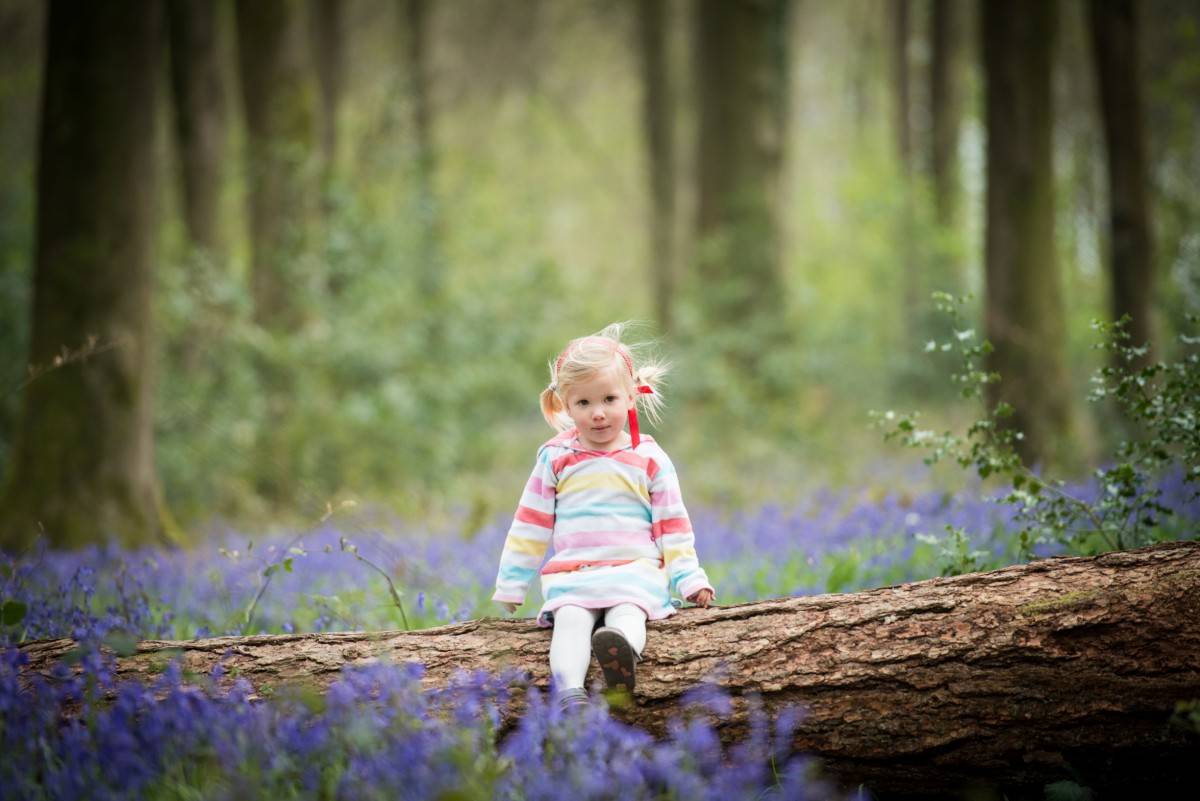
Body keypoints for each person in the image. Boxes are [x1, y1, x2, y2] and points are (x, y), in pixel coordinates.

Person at [491, 323, 715, 710]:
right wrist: (512, 583)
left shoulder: (648, 458)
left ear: (631, 397)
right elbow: (530, 524)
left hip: (634, 570)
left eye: (609, 399)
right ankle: (570, 693)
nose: (598, 414)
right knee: (571, 619)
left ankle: (621, 655)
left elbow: (672, 527)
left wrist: (690, 579)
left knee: (629, 612)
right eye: (584, 404)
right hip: (574, 572)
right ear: (564, 405)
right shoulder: (556, 458)